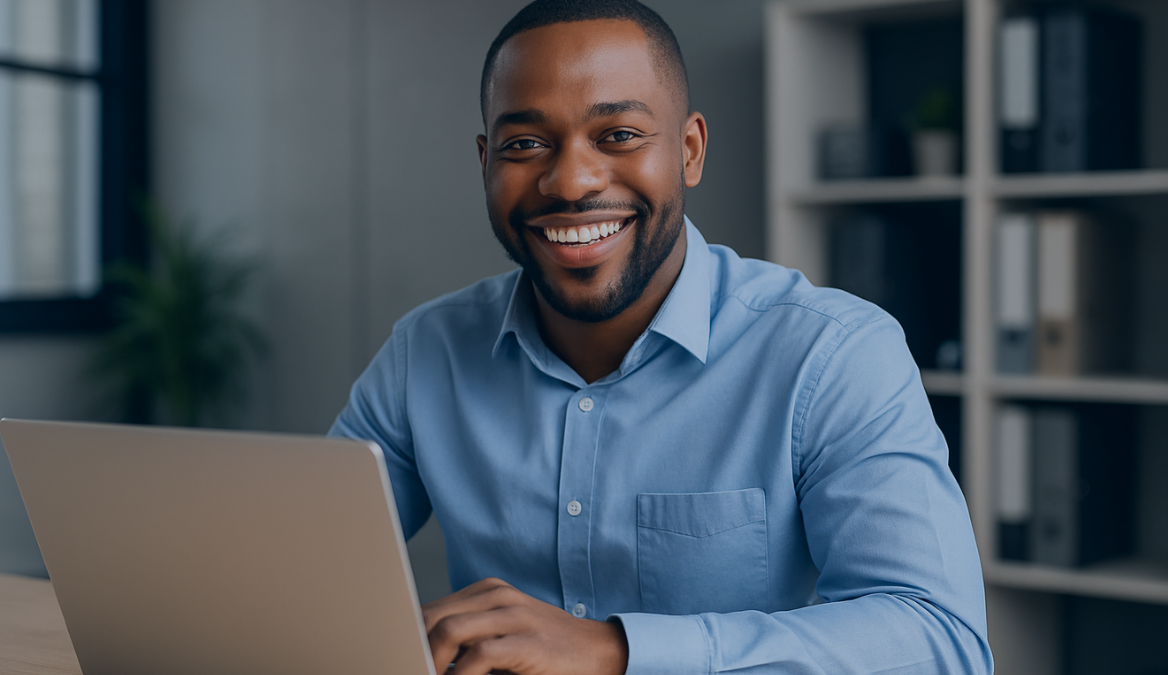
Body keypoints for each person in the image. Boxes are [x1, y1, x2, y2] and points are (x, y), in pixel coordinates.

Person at [330, 1, 992, 673]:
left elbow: (941, 641)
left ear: (689, 150)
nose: (570, 181)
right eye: (525, 144)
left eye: (617, 134)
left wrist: (617, 650)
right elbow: (297, 565)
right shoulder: (425, 353)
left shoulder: (833, 354)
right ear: (485, 162)